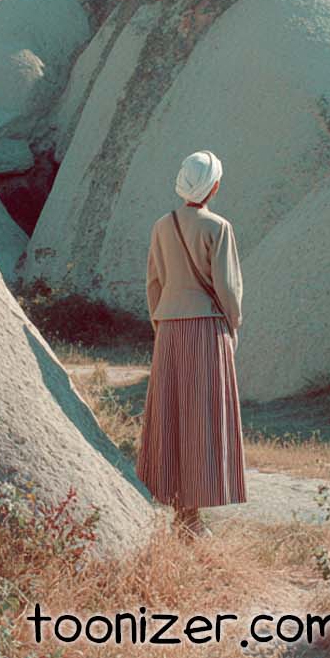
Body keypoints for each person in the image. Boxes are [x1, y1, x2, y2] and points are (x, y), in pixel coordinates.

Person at [135, 149, 247, 537]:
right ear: (214, 186)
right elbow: (228, 287)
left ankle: (178, 509)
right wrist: (233, 326)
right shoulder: (219, 227)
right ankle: (193, 520)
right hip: (206, 327)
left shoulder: (161, 226)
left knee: (169, 415)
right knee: (202, 417)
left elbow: (153, 283)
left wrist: (160, 321)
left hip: (168, 326)